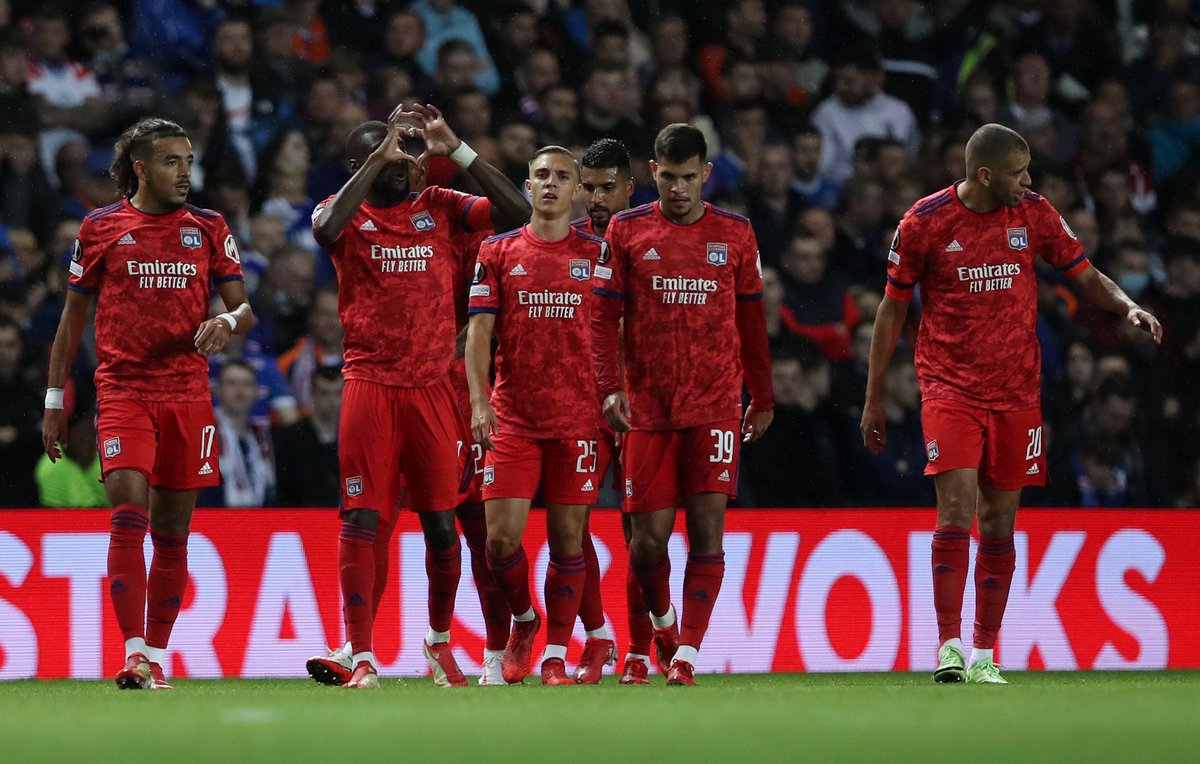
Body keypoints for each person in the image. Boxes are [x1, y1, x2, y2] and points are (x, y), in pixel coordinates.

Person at [860, 123, 1163, 686]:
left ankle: (984, 653)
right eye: (1019, 173)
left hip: (1018, 392)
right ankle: (948, 646)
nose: (1027, 182)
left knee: (999, 524)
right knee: (955, 509)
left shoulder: (1035, 213)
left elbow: (1083, 273)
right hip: (949, 387)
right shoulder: (924, 222)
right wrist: (875, 396)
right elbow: (891, 310)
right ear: (984, 175)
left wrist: (1127, 307)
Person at [310, 103, 529, 689]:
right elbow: (327, 230)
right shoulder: (339, 214)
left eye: (411, 150)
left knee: (441, 526)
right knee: (362, 515)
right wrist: (381, 152)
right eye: (395, 151)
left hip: (435, 390)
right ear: (365, 161)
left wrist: (455, 148)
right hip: (369, 386)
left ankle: (438, 642)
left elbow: (519, 212)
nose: (410, 159)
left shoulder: (440, 207)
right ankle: (359, 654)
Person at [42, 117, 254, 690]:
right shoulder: (102, 227)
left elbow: (243, 309)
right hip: (124, 389)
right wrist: (55, 399)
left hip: (187, 393)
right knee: (127, 518)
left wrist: (225, 321)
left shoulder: (208, 226)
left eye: (188, 162)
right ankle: (133, 652)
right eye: (171, 162)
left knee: (172, 534)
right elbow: (71, 320)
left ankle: (157, 654)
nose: (185, 173)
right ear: (140, 167)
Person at [591, 123, 775, 686]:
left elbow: (751, 320)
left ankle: (688, 654)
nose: (677, 188)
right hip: (647, 408)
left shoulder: (737, 234)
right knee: (645, 543)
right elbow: (600, 319)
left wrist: (762, 395)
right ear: (653, 173)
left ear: (706, 175)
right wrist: (609, 387)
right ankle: (663, 622)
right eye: (667, 177)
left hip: (715, 403)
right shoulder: (625, 230)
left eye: (688, 178)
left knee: (706, 532)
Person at [465, 145, 606, 685]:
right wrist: (480, 402)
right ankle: (524, 619)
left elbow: (617, 330)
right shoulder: (497, 251)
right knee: (500, 540)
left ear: (577, 192)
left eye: (562, 177)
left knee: (570, 539)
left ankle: (554, 655)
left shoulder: (597, 252)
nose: (550, 184)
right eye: (541, 176)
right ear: (527, 187)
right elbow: (478, 333)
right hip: (514, 418)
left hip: (577, 419)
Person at [571, 138, 650, 685]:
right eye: (589, 189)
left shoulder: (654, 240)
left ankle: (643, 651)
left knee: (641, 533)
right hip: (576, 401)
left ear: (630, 187)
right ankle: (598, 636)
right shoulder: (564, 242)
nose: (596, 200)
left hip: (642, 401)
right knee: (568, 528)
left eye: (607, 188)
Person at [274, 366, 342, 507]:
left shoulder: (353, 439)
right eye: (324, 393)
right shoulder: (290, 438)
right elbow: (284, 490)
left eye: (338, 393)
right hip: (302, 519)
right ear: (313, 394)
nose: (332, 401)